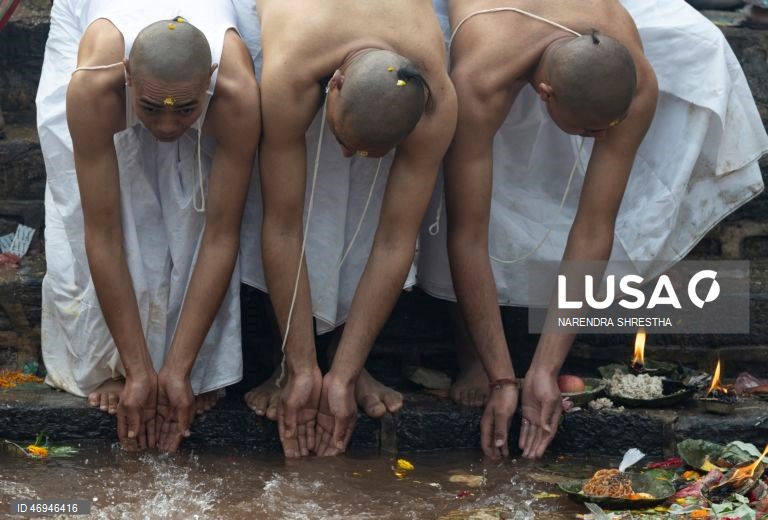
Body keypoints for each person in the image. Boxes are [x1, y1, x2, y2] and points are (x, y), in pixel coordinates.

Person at [418, 0, 768, 459]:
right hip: (492, 25)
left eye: (609, 128)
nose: (600, 140)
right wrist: (504, 378)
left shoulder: (635, 79)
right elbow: (466, 235)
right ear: (544, 93)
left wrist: (546, 369)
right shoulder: (479, 82)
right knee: (465, 199)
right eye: (587, 131)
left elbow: (594, 227)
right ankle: (476, 356)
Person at [233, 0, 457, 458]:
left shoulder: (436, 101)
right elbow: (282, 226)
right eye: (345, 141)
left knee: (367, 204)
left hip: (390, 31)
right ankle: (288, 358)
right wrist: (300, 367)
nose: (349, 157)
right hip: (305, 22)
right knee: (290, 194)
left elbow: (397, 240)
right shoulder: (291, 73)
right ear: (333, 85)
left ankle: (345, 358)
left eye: (371, 150)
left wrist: (345, 374)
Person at [37, 0, 260, 452]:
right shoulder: (93, 87)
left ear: (211, 79)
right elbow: (101, 234)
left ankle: (191, 368)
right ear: (127, 75)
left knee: (196, 204)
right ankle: (116, 364)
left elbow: (220, 235)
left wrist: (179, 369)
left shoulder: (236, 94)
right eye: (152, 108)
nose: (167, 125)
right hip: (93, 19)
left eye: (185, 110)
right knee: (89, 201)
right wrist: (138, 370)